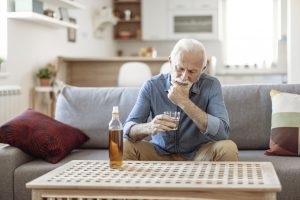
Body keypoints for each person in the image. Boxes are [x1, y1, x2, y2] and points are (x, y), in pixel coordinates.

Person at [123, 38, 238, 161]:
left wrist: (184, 102)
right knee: (124, 145)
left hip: (198, 155)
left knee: (228, 147)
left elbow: (222, 133)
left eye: (192, 71)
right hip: (159, 153)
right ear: (170, 62)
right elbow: (128, 129)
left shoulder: (211, 85)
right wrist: (149, 127)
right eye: (180, 69)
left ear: (203, 69)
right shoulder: (152, 85)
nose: (184, 77)